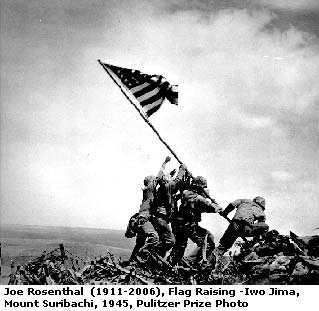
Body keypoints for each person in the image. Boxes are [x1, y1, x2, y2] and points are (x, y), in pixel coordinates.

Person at [167, 176, 223, 266]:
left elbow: (198, 207)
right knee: (209, 239)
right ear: (200, 188)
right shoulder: (199, 199)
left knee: (180, 245)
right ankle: (191, 262)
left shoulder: (185, 193)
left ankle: (171, 263)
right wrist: (218, 206)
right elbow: (212, 208)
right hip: (189, 226)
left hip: (178, 224)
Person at [125, 156, 171, 265]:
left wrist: (171, 175)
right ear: (150, 182)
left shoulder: (148, 193)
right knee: (154, 237)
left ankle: (131, 261)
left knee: (140, 242)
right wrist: (165, 163)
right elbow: (159, 176)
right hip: (144, 220)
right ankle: (140, 256)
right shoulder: (150, 189)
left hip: (141, 219)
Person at [151, 162, 187, 258]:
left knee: (163, 240)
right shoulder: (167, 187)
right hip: (161, 219)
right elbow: (177, 181)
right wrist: (182, 169)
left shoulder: (163, 190)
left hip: (160, 218)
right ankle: (148, 252)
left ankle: (155, 259)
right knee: (170, 241)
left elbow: (174, 193)